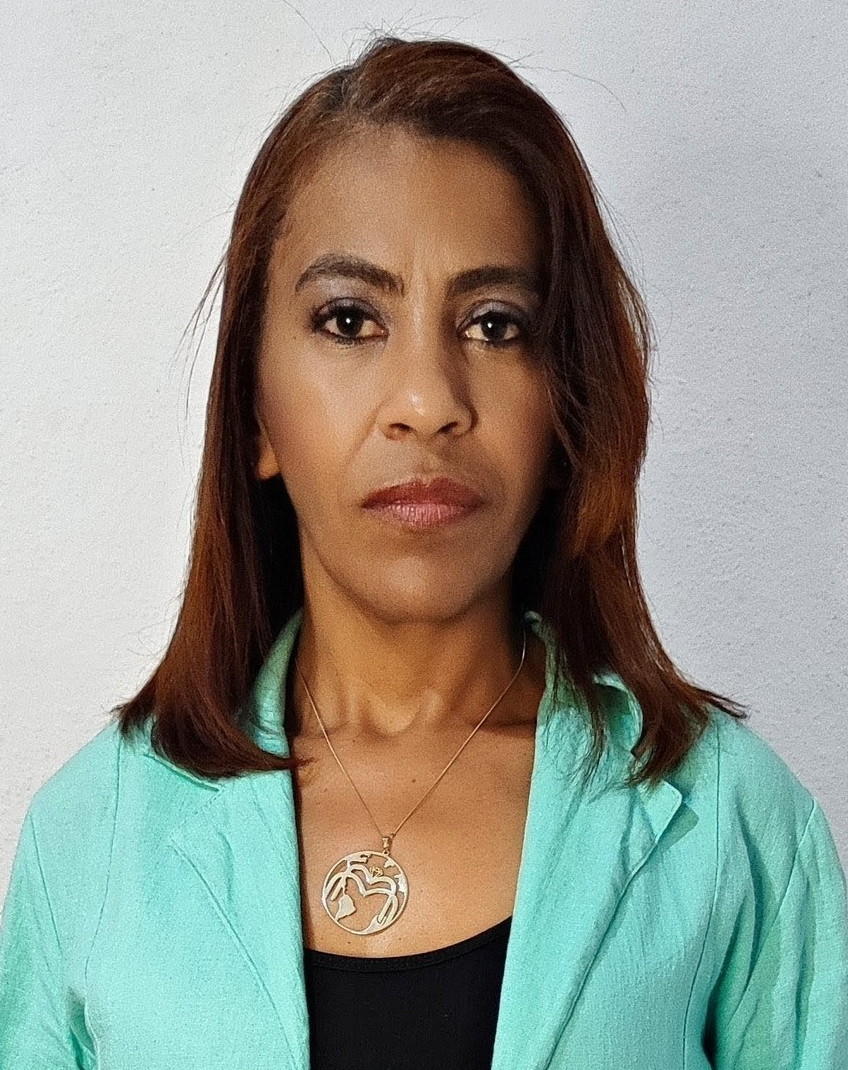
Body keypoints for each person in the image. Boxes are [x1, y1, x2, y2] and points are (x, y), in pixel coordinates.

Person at [1, 33, 846, 1070]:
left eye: (495, 325)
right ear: (255, 412)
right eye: (349, 319)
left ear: (567, 405)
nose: (427, 400)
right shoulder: (90, 838)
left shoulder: (734, 823)